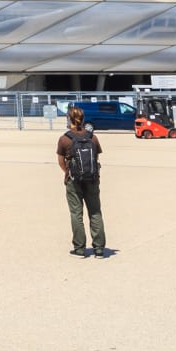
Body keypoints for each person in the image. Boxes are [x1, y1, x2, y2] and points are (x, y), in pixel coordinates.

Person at [57, 105, 106, 259]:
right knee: (95, 212)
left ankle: (79, 248)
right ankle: (99, 248)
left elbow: (60, 161)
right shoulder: (92, 137)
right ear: (83, 119)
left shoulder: (65, 138)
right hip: (92, 179)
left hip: (74, 180)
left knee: (76, 213)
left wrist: (68, 172)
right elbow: (96, 157)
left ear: (68, 119)